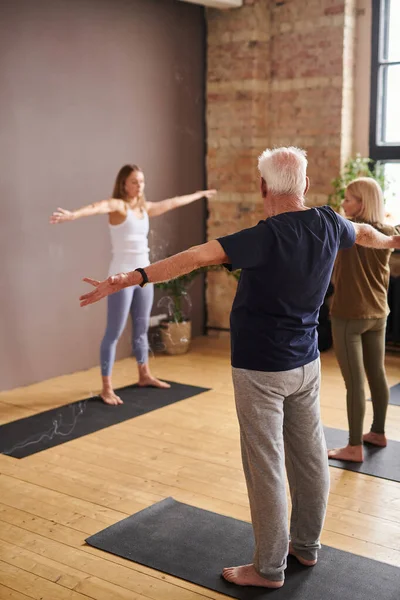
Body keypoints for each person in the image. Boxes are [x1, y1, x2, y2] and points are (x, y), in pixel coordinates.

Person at [78, 148, 400, 588]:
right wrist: (392, 241)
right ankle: (305, 547)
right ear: (304, 186)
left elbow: (193, 257)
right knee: (309, 458)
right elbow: (364, 232)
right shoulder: (329, 222)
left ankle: (269, 569)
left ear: (264, 187)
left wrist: (129, 277)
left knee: (266, 465)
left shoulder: (262, 238)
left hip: (261, 369)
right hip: (305, 366)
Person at [50, 164, 216, 405]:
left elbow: (173, 202)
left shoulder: (144, 209)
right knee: (114, 333)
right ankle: (107, 387)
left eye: (142, 182)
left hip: (143, 275)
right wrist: (73, 215)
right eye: (135, 182)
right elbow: (99, 207)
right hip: (119, 278)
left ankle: (144, 374)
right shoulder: (119, 206)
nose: (140, 186)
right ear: (123, 184)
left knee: (140, 329)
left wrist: (199, 195)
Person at [327, 178, 399, 462]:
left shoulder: (349, 231)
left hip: (349, 315)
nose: (343, 204)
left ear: (362, 203)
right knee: (377, 374)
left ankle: (354, 446)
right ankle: (377, 432)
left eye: (348, 199)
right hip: (378, 314)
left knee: (354, 382)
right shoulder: (388, 230)